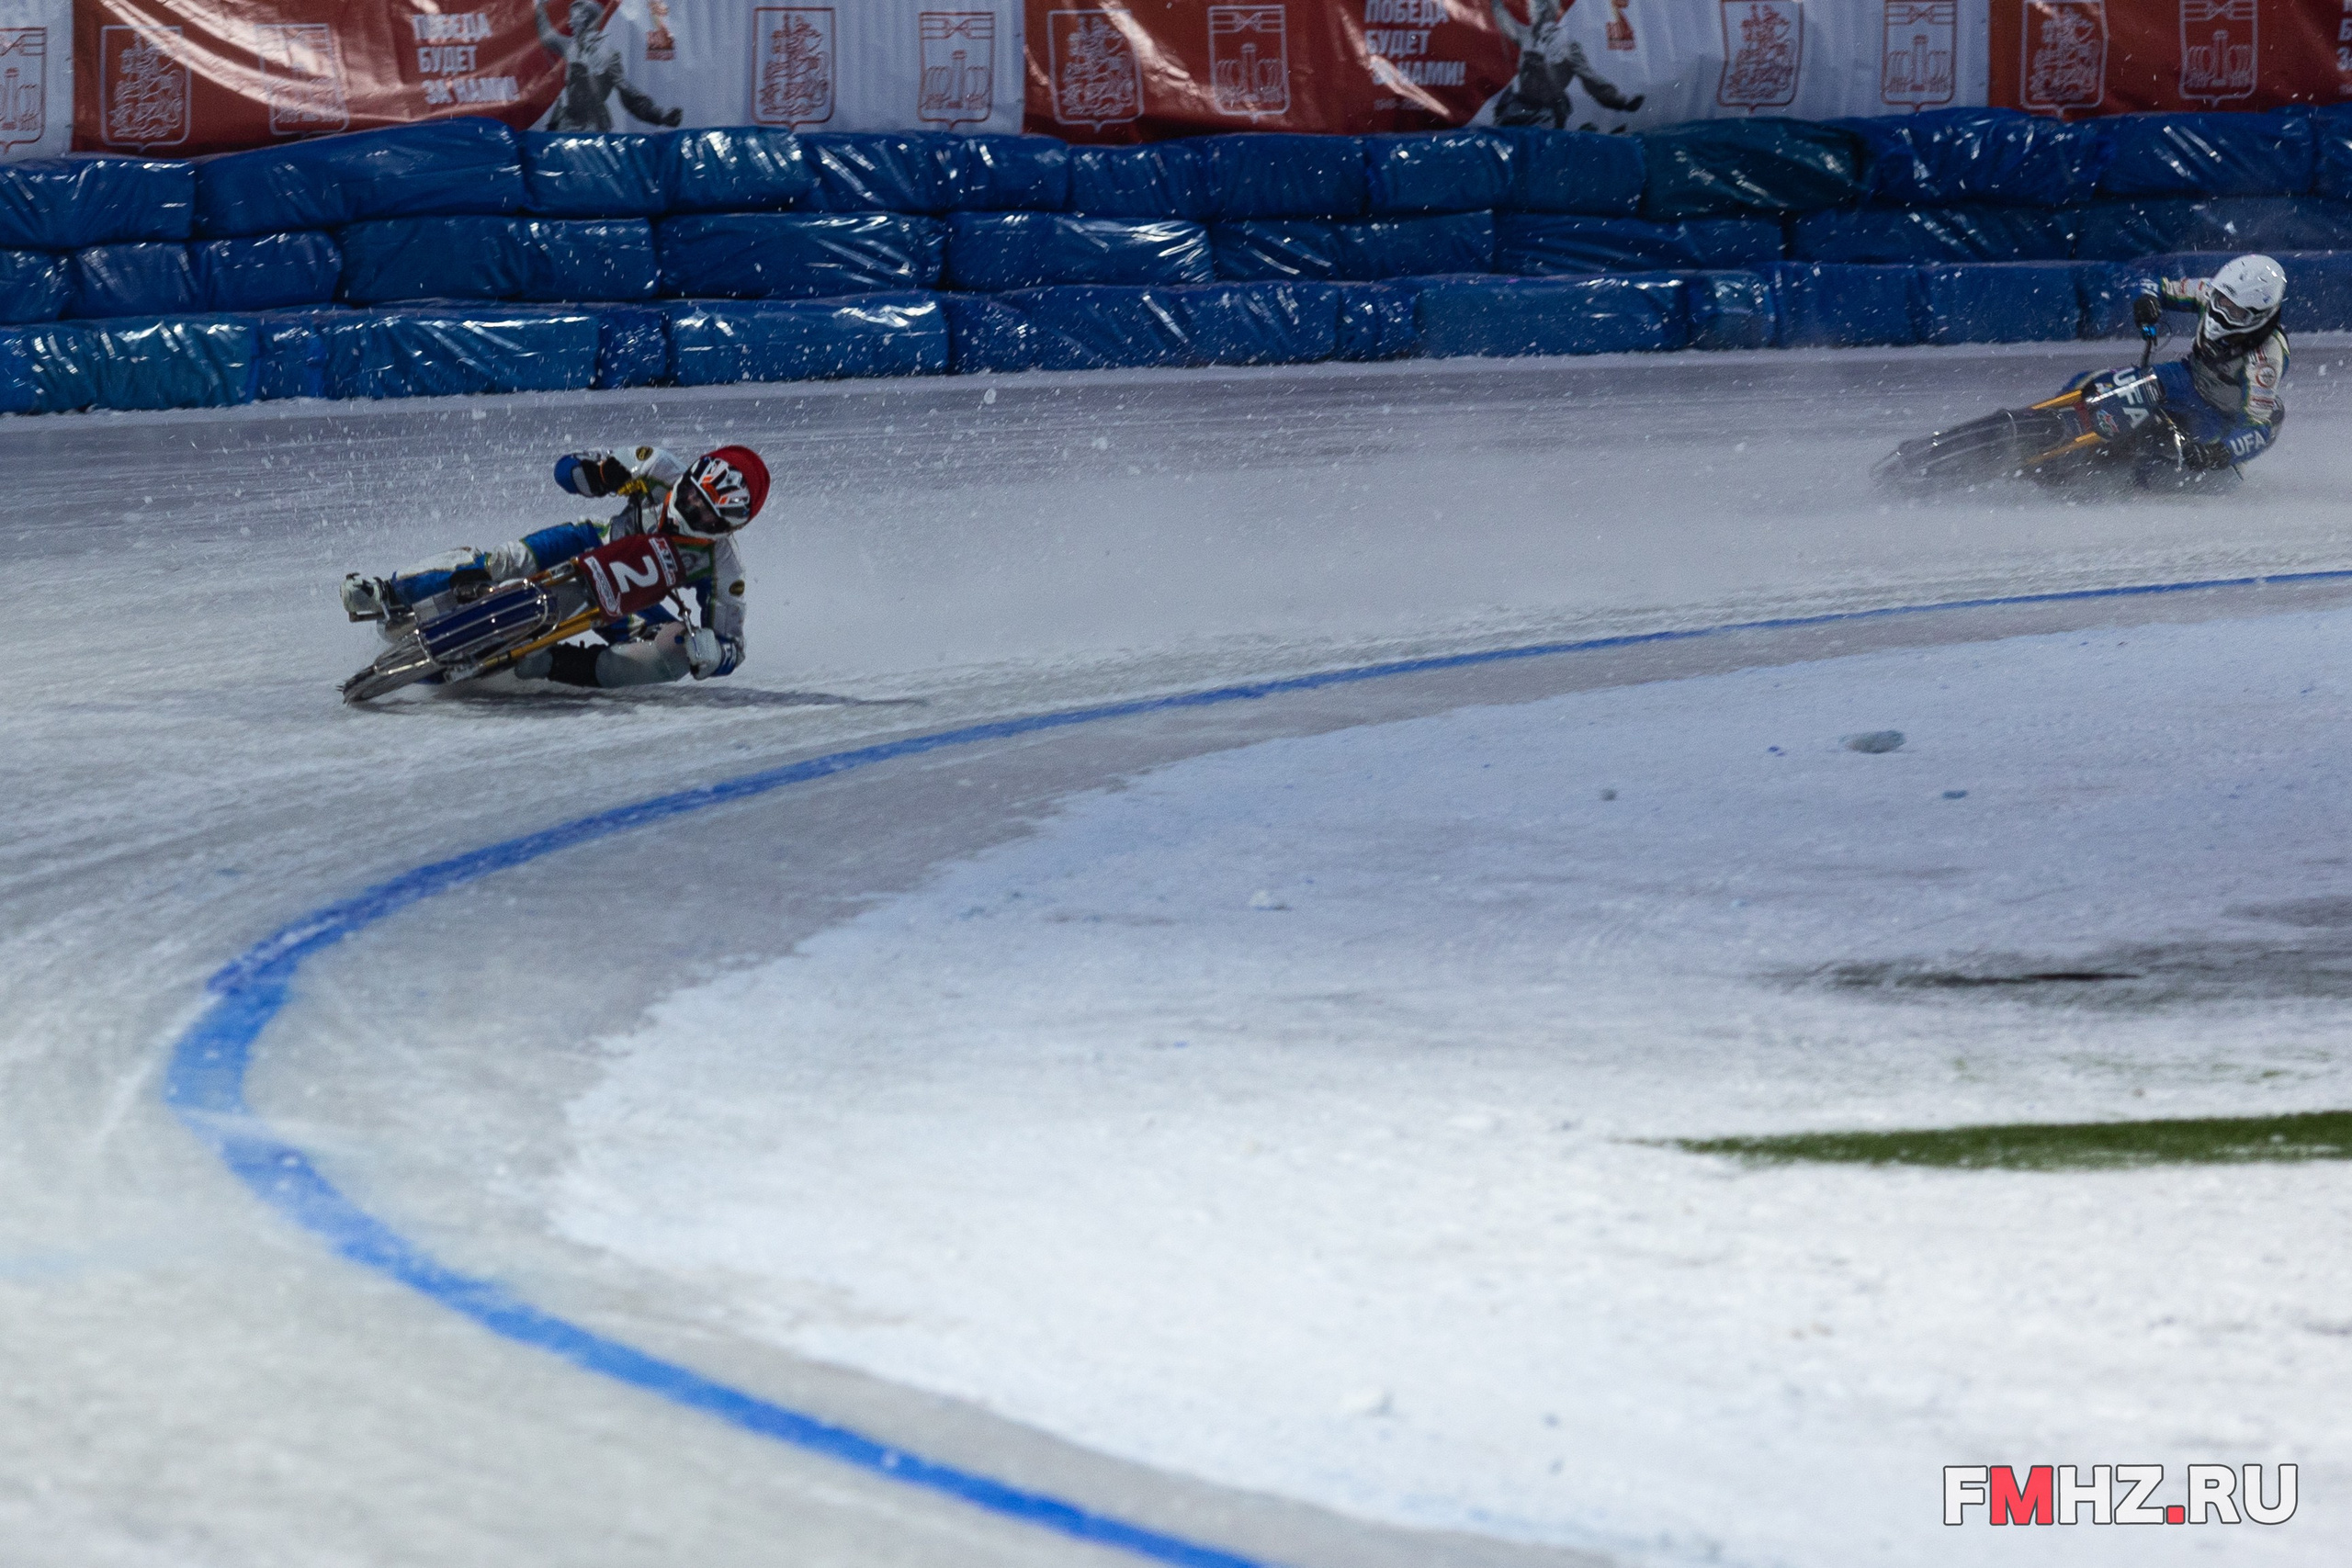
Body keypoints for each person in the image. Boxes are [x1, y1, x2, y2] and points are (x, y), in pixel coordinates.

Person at [340, 444, 769, 689]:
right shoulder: (656, 467)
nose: (693, 510)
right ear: (690, 477)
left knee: (674, 655)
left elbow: (733, 644)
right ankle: (388, 592)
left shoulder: (723, 567)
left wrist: (714, 653)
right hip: (589, 542)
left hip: (630, 602)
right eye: (694, 495)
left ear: (731, 525)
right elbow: (567, 471)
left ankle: (552, 664)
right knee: (501, 562)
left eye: (710, 515)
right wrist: (599, 472)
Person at [2091, 254, 2289, 486]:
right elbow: (2152, 284)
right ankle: (2063, 411)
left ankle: (2120, 476)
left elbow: (2257, 427)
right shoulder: (2208, 290)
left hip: (2222, 417)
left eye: (2235, 312)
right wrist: (2146, 300)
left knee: (2185, 476)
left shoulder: (2267, 355)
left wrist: (2220, 452)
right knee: (2110, 384)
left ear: (2260, 315)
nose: (2222, 312)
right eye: (2222, 301)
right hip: (2187, 377)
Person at [1478, 0, 1644, 130]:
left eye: (1533, 5)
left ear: (1542, 10)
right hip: (1514, 110)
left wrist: (1622, 102)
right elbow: (1506, 22)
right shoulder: (1528, 36)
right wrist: (1496, 3)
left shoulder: (1566, 46)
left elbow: (1592, 81)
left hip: (1544, 116)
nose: (1529, 9)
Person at [537, 0, 683, 131]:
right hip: (564, 123)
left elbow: (630, 95)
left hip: (591, 127)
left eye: (574, 18)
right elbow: (547, 37)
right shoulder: (570, 46)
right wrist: (540, 7)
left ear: (587, 19)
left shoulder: (607, 55)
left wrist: (660, 116)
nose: (570, 23)